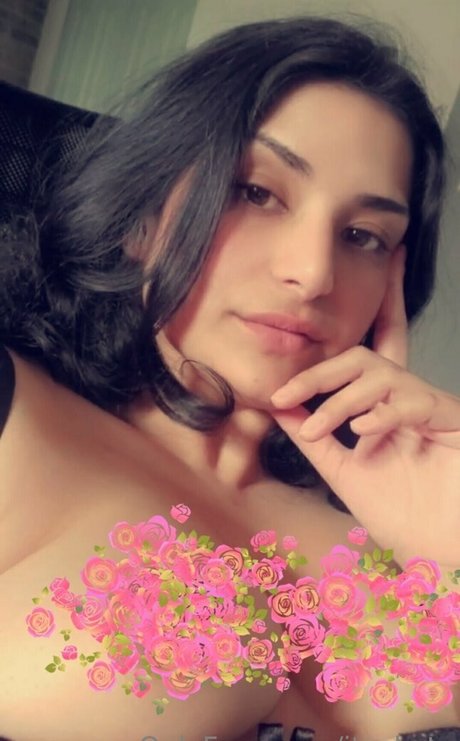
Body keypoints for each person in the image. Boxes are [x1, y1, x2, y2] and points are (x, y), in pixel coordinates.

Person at [0, 14, 459, 741]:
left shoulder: (412, 540)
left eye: (363, 236)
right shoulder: (20, 421)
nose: (313, 273)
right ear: (142, 216)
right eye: (257, 192)